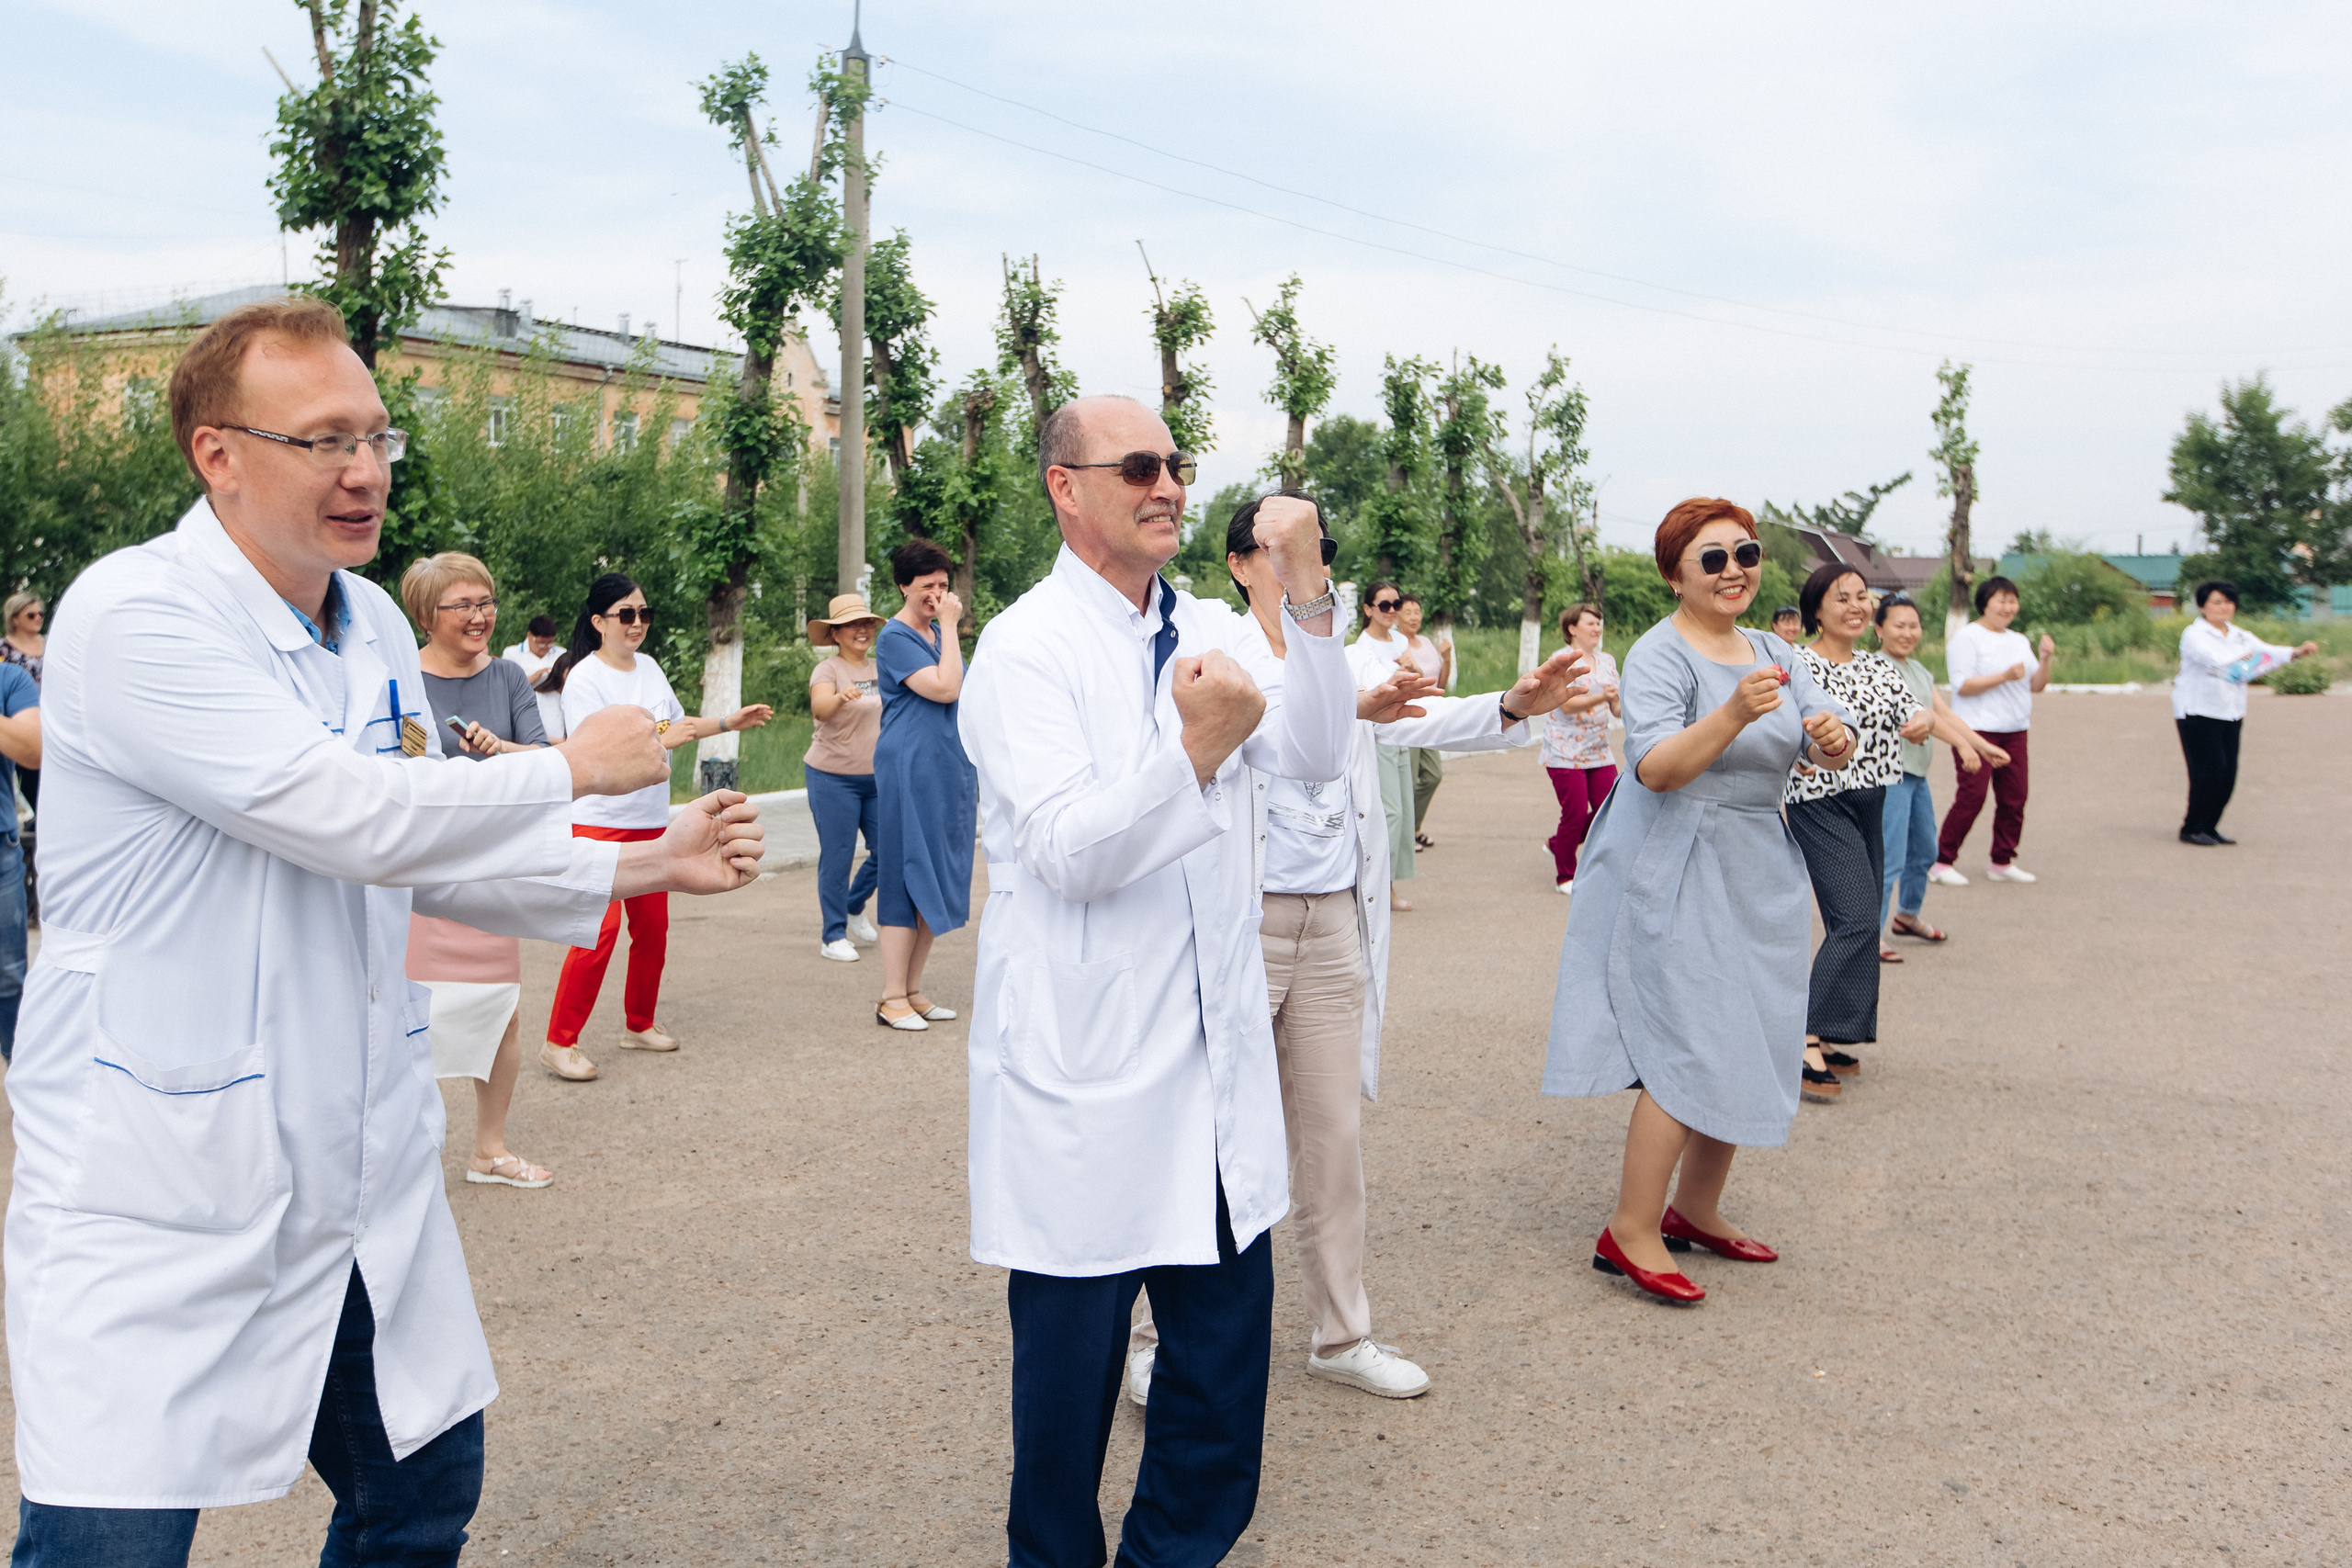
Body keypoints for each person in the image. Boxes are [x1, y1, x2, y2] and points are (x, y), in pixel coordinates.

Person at [2, 296, 764, 1564]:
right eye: (322, 440)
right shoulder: (136, 613)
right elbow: (344, 812)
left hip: (353, 1159)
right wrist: (570, 768)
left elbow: (420, 850)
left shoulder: (368, 628)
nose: (363, 470)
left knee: (419, 1493)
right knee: (110, 1540)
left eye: (374, 436)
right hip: (169, 1168)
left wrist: (645, 861)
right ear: (216, 454)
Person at [958, 396, 1356, 1567]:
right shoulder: (1026, 647)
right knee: (1067, 1394)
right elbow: (1069, 855)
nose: (1168, 484)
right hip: (1087, 1069)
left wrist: (1307, 587)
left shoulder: (1206, 627)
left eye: (1175, 462)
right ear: (1064, 487)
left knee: (1221, 1382)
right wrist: (1198, 749)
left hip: (1213, 1063)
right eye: (1137, 465)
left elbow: (1319, 752)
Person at [1124, 498, 1589, 1408]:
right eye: (1279, 549)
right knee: (1207, 1133)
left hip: (1333, 919)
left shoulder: (1341, 650)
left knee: (1332, 1140)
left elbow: (1410, 717)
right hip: (1244, 920)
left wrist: (1507, 704)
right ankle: (1154, 1340)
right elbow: (1256, 732)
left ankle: (1341, 1334)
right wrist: (1341, 706)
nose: (1304, 562)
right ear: (1238, 563)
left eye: (1318, 549)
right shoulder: (1209, 639)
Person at [1543, 499, 1852, 1304]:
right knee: (1688, 1037)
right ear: (1674, 574)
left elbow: (1822, 732)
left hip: (1758, 858)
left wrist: (1832, 738)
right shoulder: (1659, 653)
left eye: (1745, 553)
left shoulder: (1773, 650)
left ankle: (1695, 1208)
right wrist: (1732, 712)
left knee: (1749, 1030)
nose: (1734, 570)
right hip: (1676, 854)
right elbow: (1654, 768)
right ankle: (1630, 1227)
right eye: (1712, 558)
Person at [538, 573, 773, 1074]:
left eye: (644, 613)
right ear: (599, 621)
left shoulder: (648, 667)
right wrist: (662, 740)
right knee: (597, 933)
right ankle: (559, 1041)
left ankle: (639, 1024)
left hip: (649, 820)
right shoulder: (584, 678)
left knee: (653, 931)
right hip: (599, 821)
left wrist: (728, 722)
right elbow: (594, 753)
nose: (638, 623)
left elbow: (676, 724)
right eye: (626, 614)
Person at [402, 551, 559, 1186]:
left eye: (486, 602)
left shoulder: (510, 677)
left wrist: (502, 749)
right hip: (420, 871)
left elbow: (545, 760)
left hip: (491, 867)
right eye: (463, 605)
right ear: (426, 615)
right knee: (410, 1015)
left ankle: (488, 1151)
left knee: (501, 1012)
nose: (480, 616)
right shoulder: (400, 678)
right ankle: (402, 1155)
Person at [1783, 565, 1930, 1100]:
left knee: (1859, 920)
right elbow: (1784, 724)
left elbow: (1913, 711)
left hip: (1872, 798)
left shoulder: (1877, 665)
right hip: (1819, 800)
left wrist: (1923, 722)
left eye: (1862, 597)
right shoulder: (1799, 663)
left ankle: (1831, 1029)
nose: (1855, 606)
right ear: (1816, 610)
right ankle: (1801, 1036)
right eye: (1841, 597)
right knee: (1857, 918)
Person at [873, 539, 977, 1031]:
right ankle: (891, 996)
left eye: (943, 584)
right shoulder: (895, 637)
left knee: (934, 873)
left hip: (946, 765)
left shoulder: (936, 634)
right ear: (903, 586)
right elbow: (946, 688)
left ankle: (913, 990)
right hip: (908, 767)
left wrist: (946, 631)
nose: (937, 594)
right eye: (926, 586)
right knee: (903, 871)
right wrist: (951, 627)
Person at [1871, 594, 2007, 957]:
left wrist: (1981, 746)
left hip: (1917, 775)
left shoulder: (1918, 670)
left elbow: (1942, 714)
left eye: (1913, 625)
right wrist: (1961, 746)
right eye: (1899, 625)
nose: (1908, 633)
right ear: (1879, 629)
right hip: (1890, 775)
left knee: (1925, 850)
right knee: (1890, 857)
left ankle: (1907, 915)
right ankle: (1872, 935)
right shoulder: (1875, 668)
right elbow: (1918, 719)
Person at [2173, 580, 2319, 846]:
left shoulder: (2239, 635)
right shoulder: (2194, 635)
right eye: (2217, 602)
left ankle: (2210, 826)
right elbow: (2218, 662)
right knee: (2209, 770)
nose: (2224, 607)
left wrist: (2296, 652)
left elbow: (2266, 651)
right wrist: (2248, 662)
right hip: (2198, 711)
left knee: (2228, 773)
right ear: (2202, 606)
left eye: (2229, 602)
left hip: (2230, 711)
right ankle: (2192, 827)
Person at [1931, 576, 2052, 885]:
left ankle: (2002, 861)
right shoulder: (1967, 637)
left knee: (2015, 798)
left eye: (2013, 601)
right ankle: (1942, 861)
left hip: (2015, 729)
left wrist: (2046, 658)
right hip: (1976, 729)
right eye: (2002, 600)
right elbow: (1962, 685)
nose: (2008, 607)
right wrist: (2004, 676)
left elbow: (2036, 685)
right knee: (1972, 796)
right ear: (1984, 603)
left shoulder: (2019, 640)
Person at [805, 592, 885, 961]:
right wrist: (839, 698)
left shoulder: (882, 666)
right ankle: (833, 936)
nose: (862, 630)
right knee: (838, 856)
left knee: (889, 851)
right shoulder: (829, 670)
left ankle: (854, 905)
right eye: (852, 625)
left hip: (877, 778)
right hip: (832, 777)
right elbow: (820, 709)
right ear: (835, 634)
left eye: (866, 623)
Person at [1541, 601, 1620, 894]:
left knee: (1609, 809)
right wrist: (1602, 697)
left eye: (1599, 623)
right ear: (1572, 628)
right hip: (1564, 750)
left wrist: (1621, 704)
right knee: (1574, 814)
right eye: (1590, 623)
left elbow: (1617, 708)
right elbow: (1566, 704)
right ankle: (1565, 876)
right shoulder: (1561, 660)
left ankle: (1557, 843)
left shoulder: (1608, 661)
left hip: (1598, 749)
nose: (1597, 628)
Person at [1348, 581, 1417, 910]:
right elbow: (1372, 692)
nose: (1392, 611)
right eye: (1384, 605)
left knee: (1405, 812)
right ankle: (1377, 888)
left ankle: (1388, 884)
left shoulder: (1400, 640)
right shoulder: (1362, 648)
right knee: (1391, 813)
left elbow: (1418, 677)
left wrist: (1411, 669)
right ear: (1368, 609)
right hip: (1379, 735)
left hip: (1405, 731)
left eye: (1396, 604)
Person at [0, 655, 38, 1061]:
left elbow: (32, 749)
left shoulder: (9, 678)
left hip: (0, 847)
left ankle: (19, 1071)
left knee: (9, 977)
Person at [1396, 592, 1452, 850]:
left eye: (1417, 612)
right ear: (1396, 616)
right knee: (1407, 779)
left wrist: (1447, 658)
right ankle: (1406, 834)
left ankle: (1413, 827)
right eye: (1408, 612)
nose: (1414, 617)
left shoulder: (1426, 643)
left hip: (1429, 717)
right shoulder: (1395, 644)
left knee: (1433, 775)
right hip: (1407, 718)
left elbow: (1440, 684)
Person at [2, 591, 44, 931]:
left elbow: (32, 749)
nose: (38, 618)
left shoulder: (49, 646)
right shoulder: (6, 650)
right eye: (31, 614)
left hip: (41, 727)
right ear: (14, 618)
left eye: (41, 613)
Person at [504, 612, 565, 741]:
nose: (546, 647)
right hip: (524, 710)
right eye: (541, 643)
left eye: (550, 643)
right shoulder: (512, 654)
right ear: (529, 635)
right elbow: (507, 688)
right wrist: (534, 677)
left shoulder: (561, 654)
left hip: (555, 713)